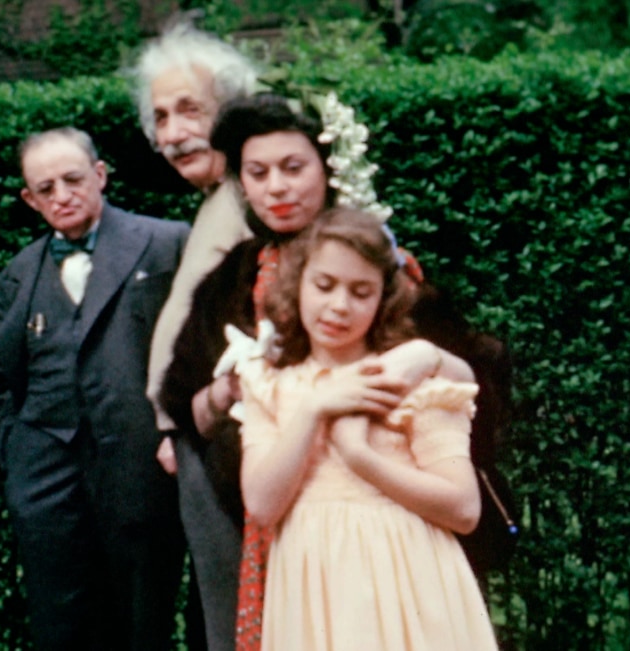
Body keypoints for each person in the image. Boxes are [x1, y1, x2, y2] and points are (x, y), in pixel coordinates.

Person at [160, 92, 494, 650]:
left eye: (293, 168)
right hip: (255, 514)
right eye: (258, 174)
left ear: (327, 168)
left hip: (390, 528)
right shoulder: (228, 282)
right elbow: (185, 406)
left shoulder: (391, 272)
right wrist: (234, 389)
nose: (277, 187)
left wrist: (430, 357)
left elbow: (465, 387)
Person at [236, 206, 501, 650]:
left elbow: (464, 509)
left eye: (361, 292)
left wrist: (361, 458)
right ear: (297, 284)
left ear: (384, 300)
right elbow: (262, 505)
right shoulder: (271, 386)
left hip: (409, 585)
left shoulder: (405, 378)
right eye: (324, 286)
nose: (339, 306)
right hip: (315, 591)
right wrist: (314, 410)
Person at [0, 127, 191, 651]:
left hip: (141, 468)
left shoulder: (168, 243)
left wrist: (179, 433)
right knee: (61, 628)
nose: (62, 195)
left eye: (73, 179)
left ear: (99, 176)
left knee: (143, 623)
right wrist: (18, 458)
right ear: (30, 199)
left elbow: (200, 349)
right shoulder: (17, 275)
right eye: (46, 188)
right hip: (45, 478)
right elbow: (9, 379)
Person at [129, 19, 260, 651]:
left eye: (190, 110)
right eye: (160, 117)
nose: (173, 133)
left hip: (235, 444)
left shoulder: (254, 195)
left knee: (244, 616)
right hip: (202, 439)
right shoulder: (219, 199)